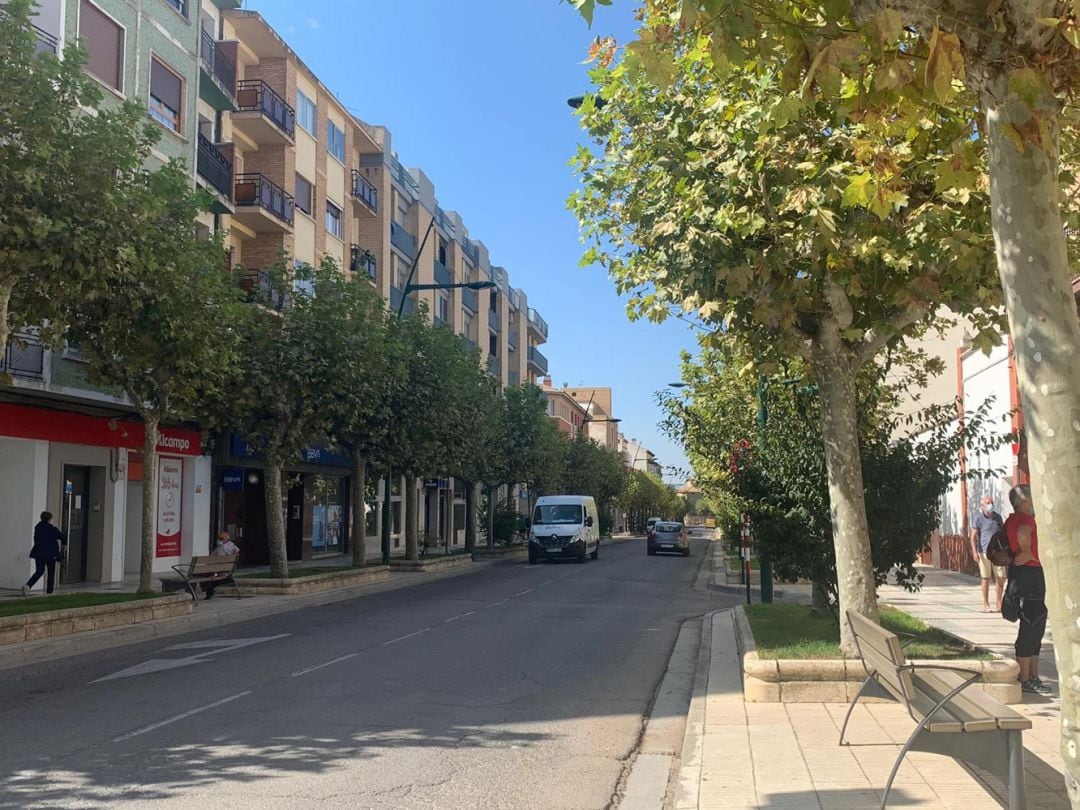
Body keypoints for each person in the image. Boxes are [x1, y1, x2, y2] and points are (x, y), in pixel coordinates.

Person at [1003, 484, 1051, 695]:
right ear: (1024, 501)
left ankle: (1033, 676)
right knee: (1031, 626)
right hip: (1030, 577)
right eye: (1032, 498)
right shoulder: (1024, 521)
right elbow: (1024, 534)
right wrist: (1028, 553)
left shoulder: (1012, 520)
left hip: (1026, 576)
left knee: (1037, 627)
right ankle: (1025, 678)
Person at [970, 495, 1006, 612]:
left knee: (1001, 577)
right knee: (985, 578)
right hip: (984, 552)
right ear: (982, 506)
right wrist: (975, 552)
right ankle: (986, 604)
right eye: (987, 503)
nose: (990, 505)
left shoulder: (998, 517)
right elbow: (973, 537)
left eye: (991, 502)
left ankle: (999, 604)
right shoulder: (978, 519)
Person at [22, 511, 67, 597]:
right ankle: (50, 591)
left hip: (38, 554)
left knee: (39, 571)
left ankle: (28, 585)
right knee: (51, 572)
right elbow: (63, 537)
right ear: (49, 519)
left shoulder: (38, 528)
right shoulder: (53, 529)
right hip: (50, 554)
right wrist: (64, 545)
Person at [203, 531, 239, 600]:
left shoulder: (221, 548)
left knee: (197, 574)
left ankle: (209, 590)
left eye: (221, 538)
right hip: (227, 571)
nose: (219, 540)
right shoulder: (232, 546)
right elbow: (237, 552)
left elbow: (217, 562)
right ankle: (210, 589)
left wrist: (213, 573)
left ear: (225, 539)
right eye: (219, 538)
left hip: (218, 571)